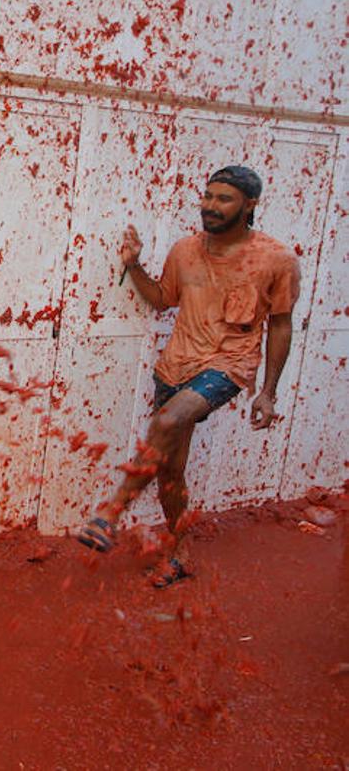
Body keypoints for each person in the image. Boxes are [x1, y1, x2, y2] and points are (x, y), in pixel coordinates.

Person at [76, 165, 300, 586]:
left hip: (227, 365)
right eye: (208, 196)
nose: (211, 206)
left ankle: (110, 514)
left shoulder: (277, 259)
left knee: (167, 421)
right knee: (169, 471)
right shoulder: (184, 250)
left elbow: (282, 324)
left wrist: (268, 393)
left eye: (224, 198)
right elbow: (163, 299)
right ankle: (180, 555)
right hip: (176, 365)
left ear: (249, 205)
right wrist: (135, 265)